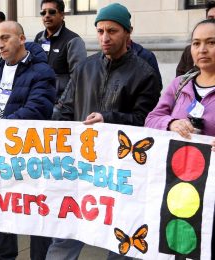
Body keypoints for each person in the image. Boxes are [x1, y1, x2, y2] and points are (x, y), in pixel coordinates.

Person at [45, 3, 161, 260]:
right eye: (100, 31)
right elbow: (65, 108)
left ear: (128, 32)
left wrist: (107, 118)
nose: (105, 38)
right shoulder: (85, 67)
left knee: (121, 241)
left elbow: (147, 122)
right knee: (65, 236)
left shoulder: (145, 74)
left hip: (122, 173)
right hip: (80, 168)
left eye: (112, 31)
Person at [0, 21, 56, 260]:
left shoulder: (42, 71)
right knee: (1, 205)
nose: (0, 44)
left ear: (21, 38)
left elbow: (38, 108)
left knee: (37, 209)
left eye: (5, 38)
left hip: (31, 153)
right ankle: (5, 256)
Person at [145, 18, 215, 259]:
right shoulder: (180, 84)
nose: (202, 50)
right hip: (181, 187)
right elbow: (152, 118)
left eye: (211, 43)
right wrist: (171, 123)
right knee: (182, 245)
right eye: (196, 43)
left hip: (213, 189)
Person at [34, 0, 87, 119]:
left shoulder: (73, 41)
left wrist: (60, 105)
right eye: (43, 13)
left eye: (52, 12)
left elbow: (78, 77)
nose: (47, 15)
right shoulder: (38, 38)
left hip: (60, 108)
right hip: (39, 102)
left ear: (62, 15)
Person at [176, 0, 215, 76]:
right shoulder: (189, 51)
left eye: (211, 43)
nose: (202, 50)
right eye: (210, 18)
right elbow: (179, 79)